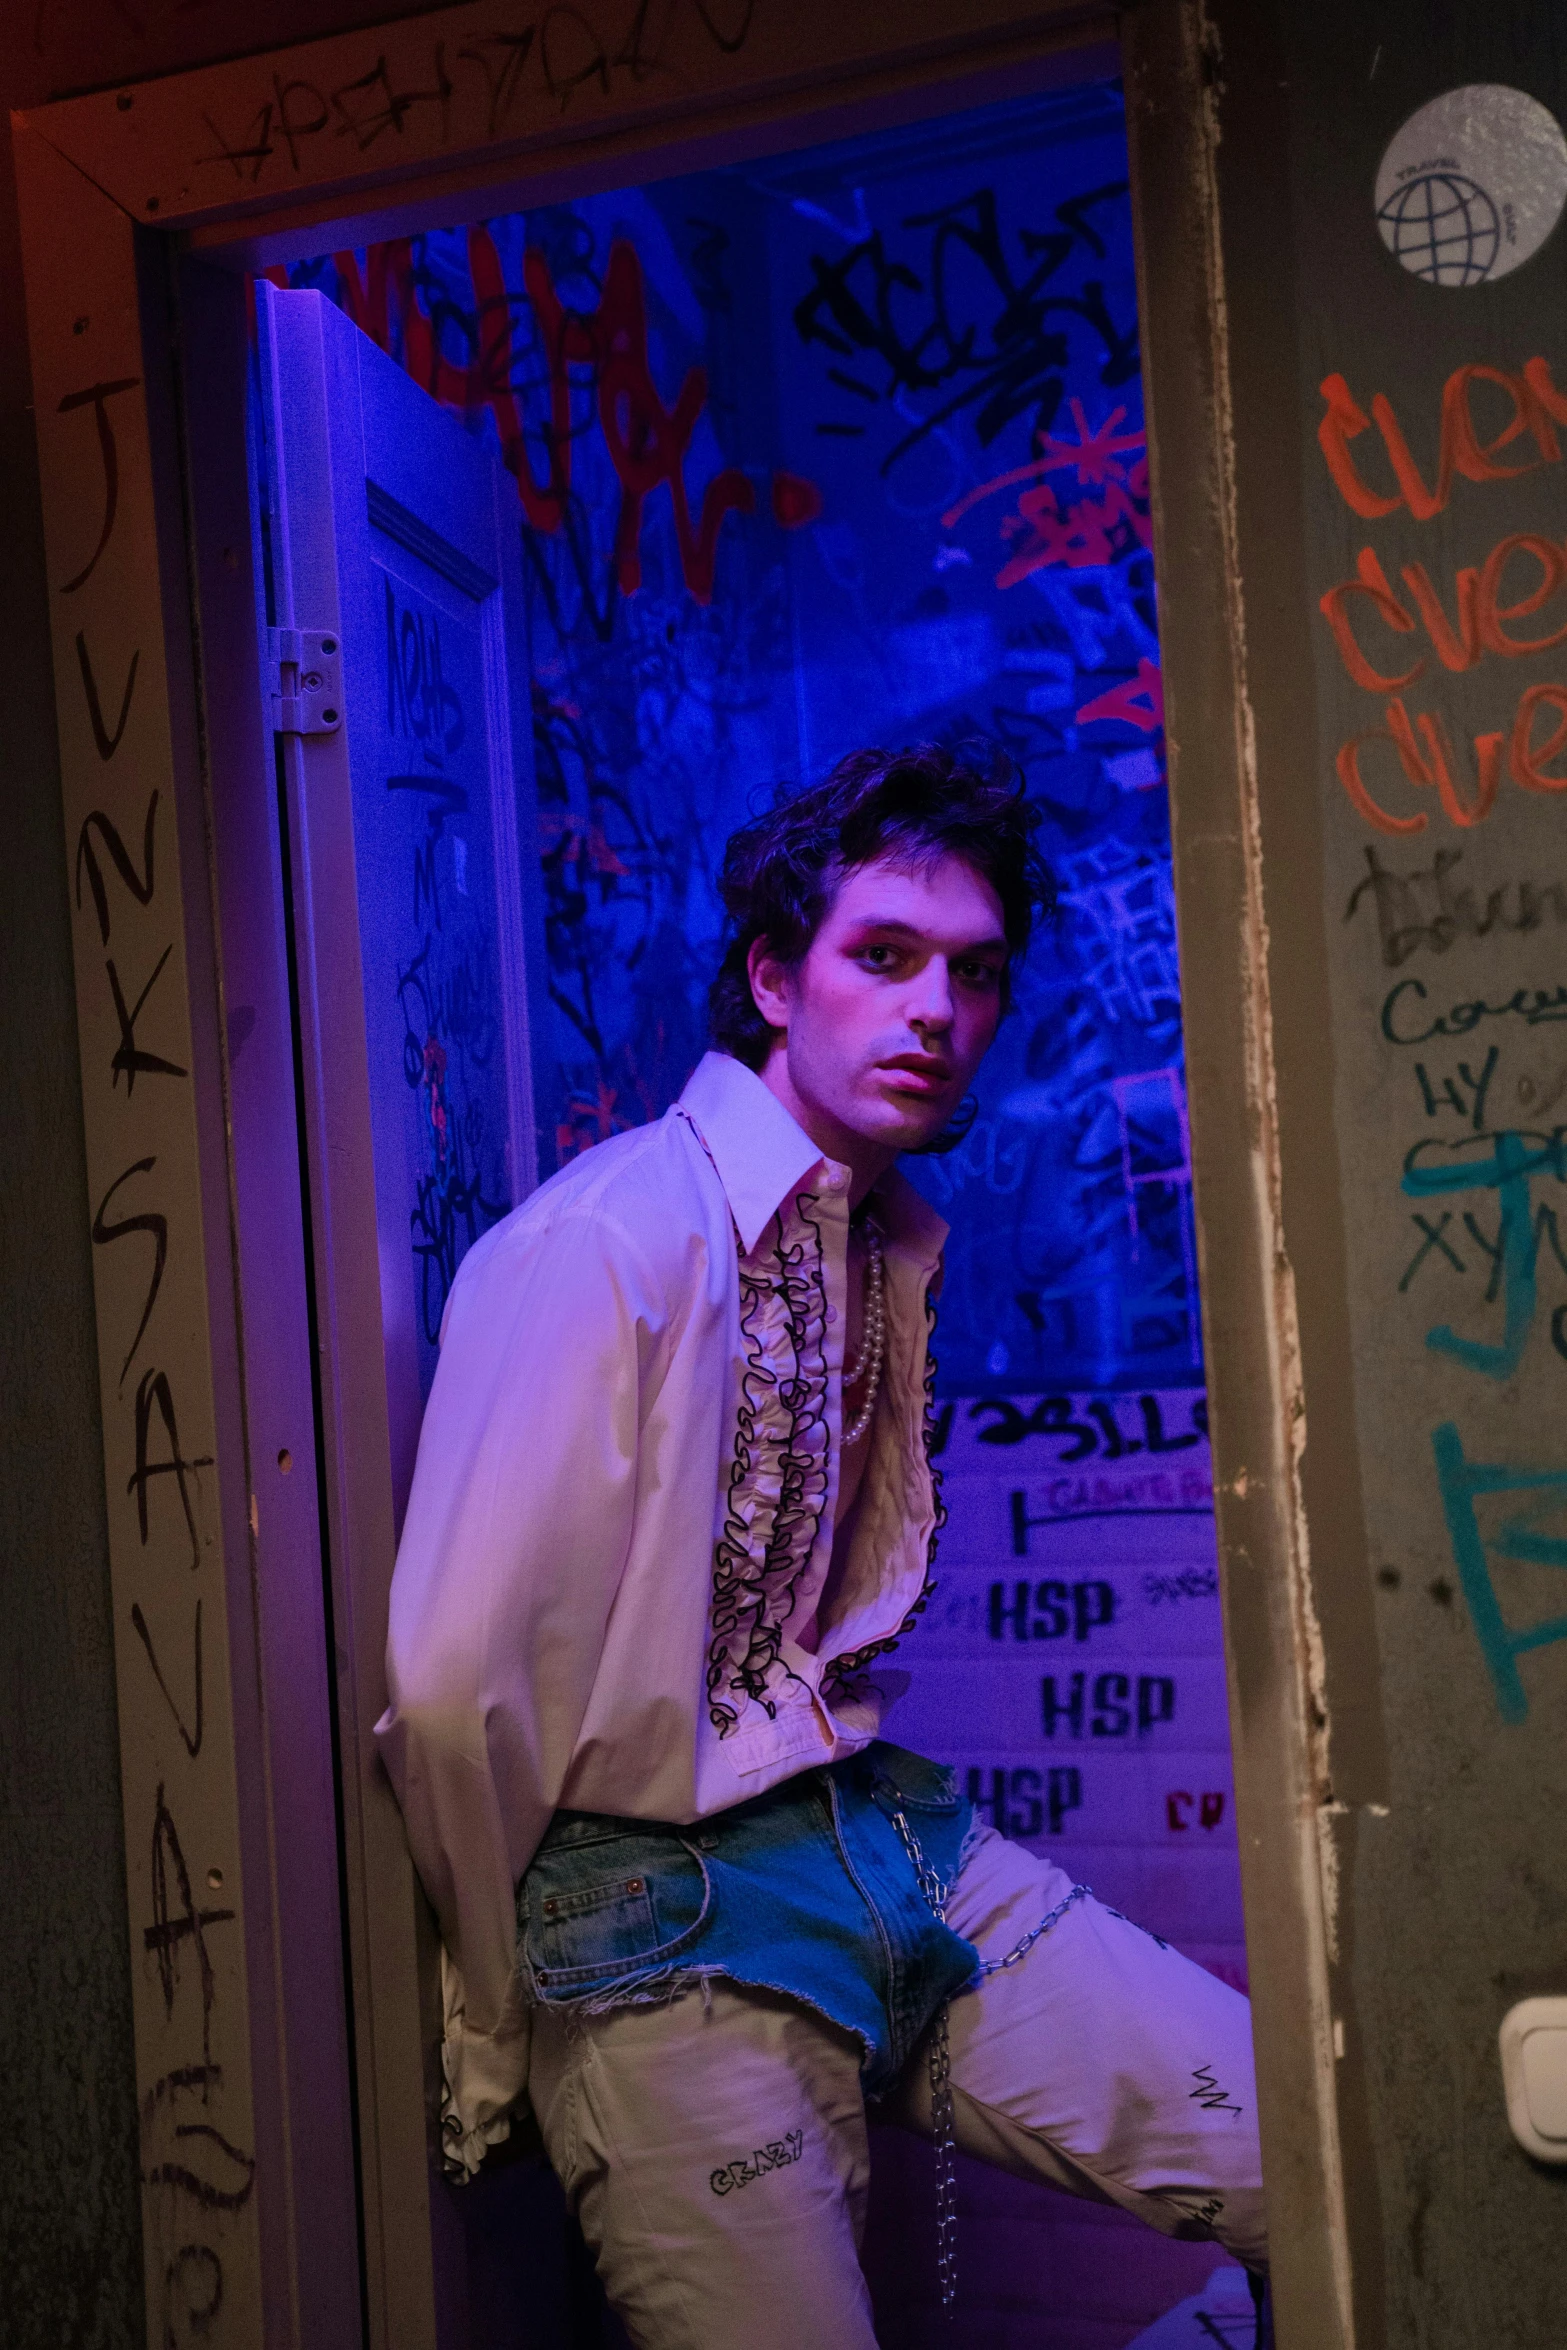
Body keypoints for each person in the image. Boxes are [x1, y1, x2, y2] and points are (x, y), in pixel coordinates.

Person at [376, 745, 1267, 2349]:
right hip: (650, 1912)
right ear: (775, 979)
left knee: (1321, 2145)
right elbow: (450, 1688)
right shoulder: (609, 1238)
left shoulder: (868, 1229)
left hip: (875, 1835)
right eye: (883, 955)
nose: (937, 1007)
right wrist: (491, 2019)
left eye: (974, 972)